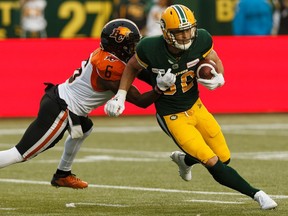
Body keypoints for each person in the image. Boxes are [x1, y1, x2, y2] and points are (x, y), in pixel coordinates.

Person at [104, 4, 278, 210]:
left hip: (196, 106)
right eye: (180, 31)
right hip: (172, 115)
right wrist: (121, 95)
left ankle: (185, 161)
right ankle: (257, 194)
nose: (186, 35)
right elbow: (132, 66)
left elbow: (214, 59)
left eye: (189, 29)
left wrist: (220, 76)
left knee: (225, 158)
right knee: (212, 161)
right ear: (167, 33)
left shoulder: (202, 39)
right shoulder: (149, 48)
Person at [0, 18, 175, 189]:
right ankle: (62, 174)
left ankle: (63, 174)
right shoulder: (108, 66)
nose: (135, 48)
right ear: (118, 47)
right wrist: (159, 88)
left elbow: (140, 70)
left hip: (65, 103)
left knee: (84, 129)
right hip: (62, 109)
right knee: (20, 154)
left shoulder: (111, 56)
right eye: (131, 44)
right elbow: (141, 101)